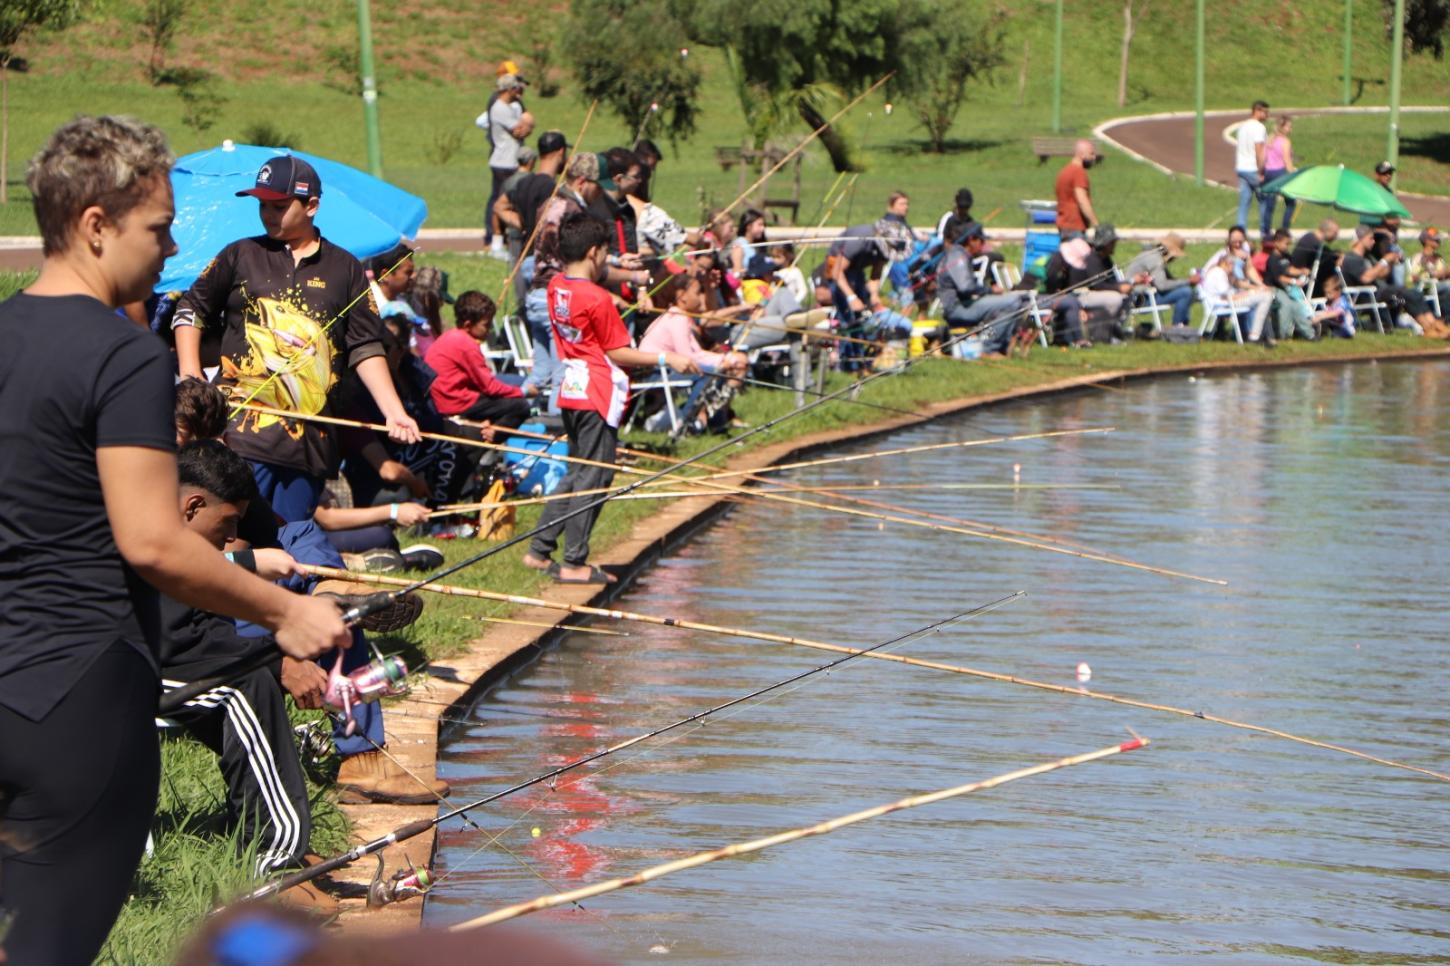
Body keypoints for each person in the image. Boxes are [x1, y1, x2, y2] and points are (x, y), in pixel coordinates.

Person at [0, 114, 347, 965]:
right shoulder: (126, 358)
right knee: (52, 944)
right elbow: (153, 540)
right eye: (157, 229)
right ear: (94, 225)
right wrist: (284, 615)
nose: (167, 251)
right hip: (81, 690)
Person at [173, 155, 421, 523]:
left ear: (312, 206)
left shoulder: (346, 268)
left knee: (287, 544)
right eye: (262, 206)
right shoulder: (241, 254)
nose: (267, 215)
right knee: (232, 539)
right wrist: (193, 380)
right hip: (237, 436)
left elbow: (365, 347)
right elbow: (190, 310)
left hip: (308, 445)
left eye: (279, 206)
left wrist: (393, 411)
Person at [159, 441, 337, 913]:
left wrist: (250, 566)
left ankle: (281, 841)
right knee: (244, 688)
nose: (230, 537)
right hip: (121, 676)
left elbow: (200, 637)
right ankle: (273, 865)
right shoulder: (148, 542)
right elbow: (177, 646)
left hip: (163, 665)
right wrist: (277, 659)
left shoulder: (175, 540)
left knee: (248, 679)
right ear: (192, 506)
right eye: (229, 523)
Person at [521, 212, 698, 584]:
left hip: (570, 388)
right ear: (594, 252)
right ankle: (574, 563)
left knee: (577, 471)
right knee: (596, 477)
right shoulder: (598, 298)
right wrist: (670, 358)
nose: (607, 260)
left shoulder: (556, 287)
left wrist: (629, 277)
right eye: (605, 253)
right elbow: (620, 353)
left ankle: (539, 551)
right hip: (597, 393)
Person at [426, 290, 536, 432]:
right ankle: (492, 435)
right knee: (521, 406)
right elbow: (490, 387)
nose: (489, 329)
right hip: (455, 402)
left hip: (444, 399)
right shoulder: (466, 344)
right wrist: (524, 391)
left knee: (505, 388)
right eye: (486, 325)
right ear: (468, 325)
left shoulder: (451, 336)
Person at [936, 225, 1032, 354]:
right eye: (982, 241)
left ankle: (1001, 345)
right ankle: (989, 348)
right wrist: (990, 291)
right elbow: (965, 287)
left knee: (1017, 302)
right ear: (971, 240)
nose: (983, 245)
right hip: (957, 308)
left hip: (966, 304)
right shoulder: (958, 257)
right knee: (1013, 302)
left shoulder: (960, 255)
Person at [1340, 226, 1446, 337]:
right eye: (1371, 238)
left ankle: (1435, 325)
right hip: (1364, 296)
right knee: (1404, 293)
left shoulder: (1365, 257)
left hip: (1377, 292)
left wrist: (1391, 261)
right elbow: (1366, 278)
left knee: (1414, 293)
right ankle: (1428, 328)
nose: (1374, 241)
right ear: (1361, 239)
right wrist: (1385, 260)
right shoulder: (1352, 258)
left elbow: (1380, 274)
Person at [478, 73, 534, 258]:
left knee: (503, 199)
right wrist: (527, 123)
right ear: (509, 89)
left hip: (507, 160)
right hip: (504, 161)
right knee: (500, 200)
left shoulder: (508, 107)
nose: (519, 92)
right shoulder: (500, 108)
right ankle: (494, 240)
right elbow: (520, 131)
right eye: (517, 88)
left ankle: (501, 239)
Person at [1124, 232, 1197, 328]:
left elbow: (1169, 280)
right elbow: (1162, 285)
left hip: (1141, 296)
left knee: (1186, 290)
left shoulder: (1152, 255)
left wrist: (1184, 282)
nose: (1174, 259)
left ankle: (1181, 325)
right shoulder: (1155, 260)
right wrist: (1188, 281)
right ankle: (1177, 326)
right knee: (1186, 292)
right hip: (1141, 300)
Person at [1261, 229, 1317, 340]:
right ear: (1276, 243)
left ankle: (1310, 335)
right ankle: (1283, 335)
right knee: (1286, 305)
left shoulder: (1285, 256)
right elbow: (1279, 277)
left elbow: (1289, 269)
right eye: (1286, 243)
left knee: (1298, 306)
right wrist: (1295, 282)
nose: (1288, 246)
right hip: (1273, 289)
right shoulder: (1273, 259)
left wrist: (1302, 271)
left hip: (1285, 289)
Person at [1234, 100, 1270, 231]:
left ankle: (1240, 230)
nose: (1267, 116)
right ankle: (1264, 231)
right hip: (1253, 169)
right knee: (1265, 200)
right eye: (1265, 112)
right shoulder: (1259, 128)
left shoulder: (1243, 127)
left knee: (1244, 202)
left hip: (1241, 168)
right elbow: (1259, 150)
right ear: (1257, 111)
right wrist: (1261, 172)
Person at [1260, 115, 1297, 237]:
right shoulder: (1285, 141)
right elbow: (1287, 160)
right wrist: (1293, 175)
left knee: (1270, 203)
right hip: (1280, 172)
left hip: (1269, 172)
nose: (1290, 129)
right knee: (1291, 202)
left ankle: (1266, 231)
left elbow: (1264, 157)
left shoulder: (1270, 139)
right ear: (1283, 127)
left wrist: (1261, 171)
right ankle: (1284, 230)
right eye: (1289, 126)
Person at [1054, 139, 1100, 237]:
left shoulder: (1064, 171)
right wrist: (1096, 225)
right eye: (1091, 154)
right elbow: (1082, 201)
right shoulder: (1078, 173)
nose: (1094, 157)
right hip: (1075, 227)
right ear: (1082, 154)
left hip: (1064, 225)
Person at [1290, 218, 1341, 296]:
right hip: (1301, 281)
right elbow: (1328, 255)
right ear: (1327, 231)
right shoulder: (1313, 244)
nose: (1336, 237)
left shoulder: (1310, 237)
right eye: (1335, 233)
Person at [1407, 226, 1450, 316]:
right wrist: (1436, 274)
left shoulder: (1438, 257)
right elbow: (1415, 277)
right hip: (1427, 287)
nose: (1439, 241)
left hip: (1440, 285)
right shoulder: (1419, 258)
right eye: (1435, 240)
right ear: (1427, 241)